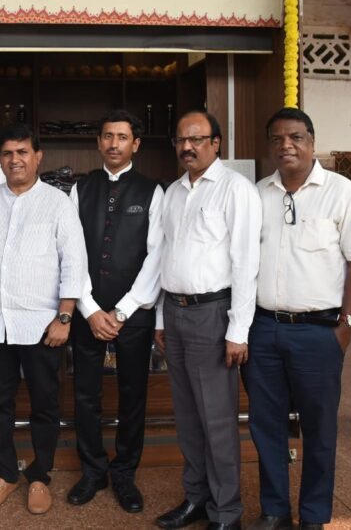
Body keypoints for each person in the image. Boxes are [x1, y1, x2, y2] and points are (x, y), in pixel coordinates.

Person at [243, 108, 351, 530]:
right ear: (270, 146)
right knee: (266, 426)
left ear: (312, 143)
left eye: (296, 137)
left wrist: (346, 327)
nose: (287, 146)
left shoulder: (342, 192)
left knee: (319, 430)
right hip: (263, 328)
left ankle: (315, 515)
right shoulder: (257, 194)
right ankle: (275, 510)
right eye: (278, 139)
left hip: (319, 332)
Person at [0, 123, 87, 516]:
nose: (15, 160)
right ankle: (5, 474)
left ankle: (41, 475)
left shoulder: (57, 203)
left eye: (23, 152)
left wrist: (64, 317)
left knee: (45, 404)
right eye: (8, 153)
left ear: (38, 156)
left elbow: (74, 264)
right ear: (0, 159)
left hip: (43, 326)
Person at [156, 111, 261, 530]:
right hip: (177, 313)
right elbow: (167, 256)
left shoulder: (236, 190)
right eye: (181, 140)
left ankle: (226, 512)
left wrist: (238, 329)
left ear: (216, 143)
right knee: (187, 416)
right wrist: (163, 317)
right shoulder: (174, 192)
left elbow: (245, 263)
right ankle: (196, 498)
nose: (188, 147)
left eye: (197, 138)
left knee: (217, 420)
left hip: (213, 315)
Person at [66, 110, 164, 513]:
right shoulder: (80, 189)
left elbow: (157, 256)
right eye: (107, 136)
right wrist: (89, 309)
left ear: (135, 144)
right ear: (98, 142)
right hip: (87, 312)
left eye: (122, 137)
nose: (113, 144)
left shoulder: (152, 190)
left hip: (134, 312)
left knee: (132, 395)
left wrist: (121, 311)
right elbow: (70, 254)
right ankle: (92, 470)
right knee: (85, 394)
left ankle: (125, 473)